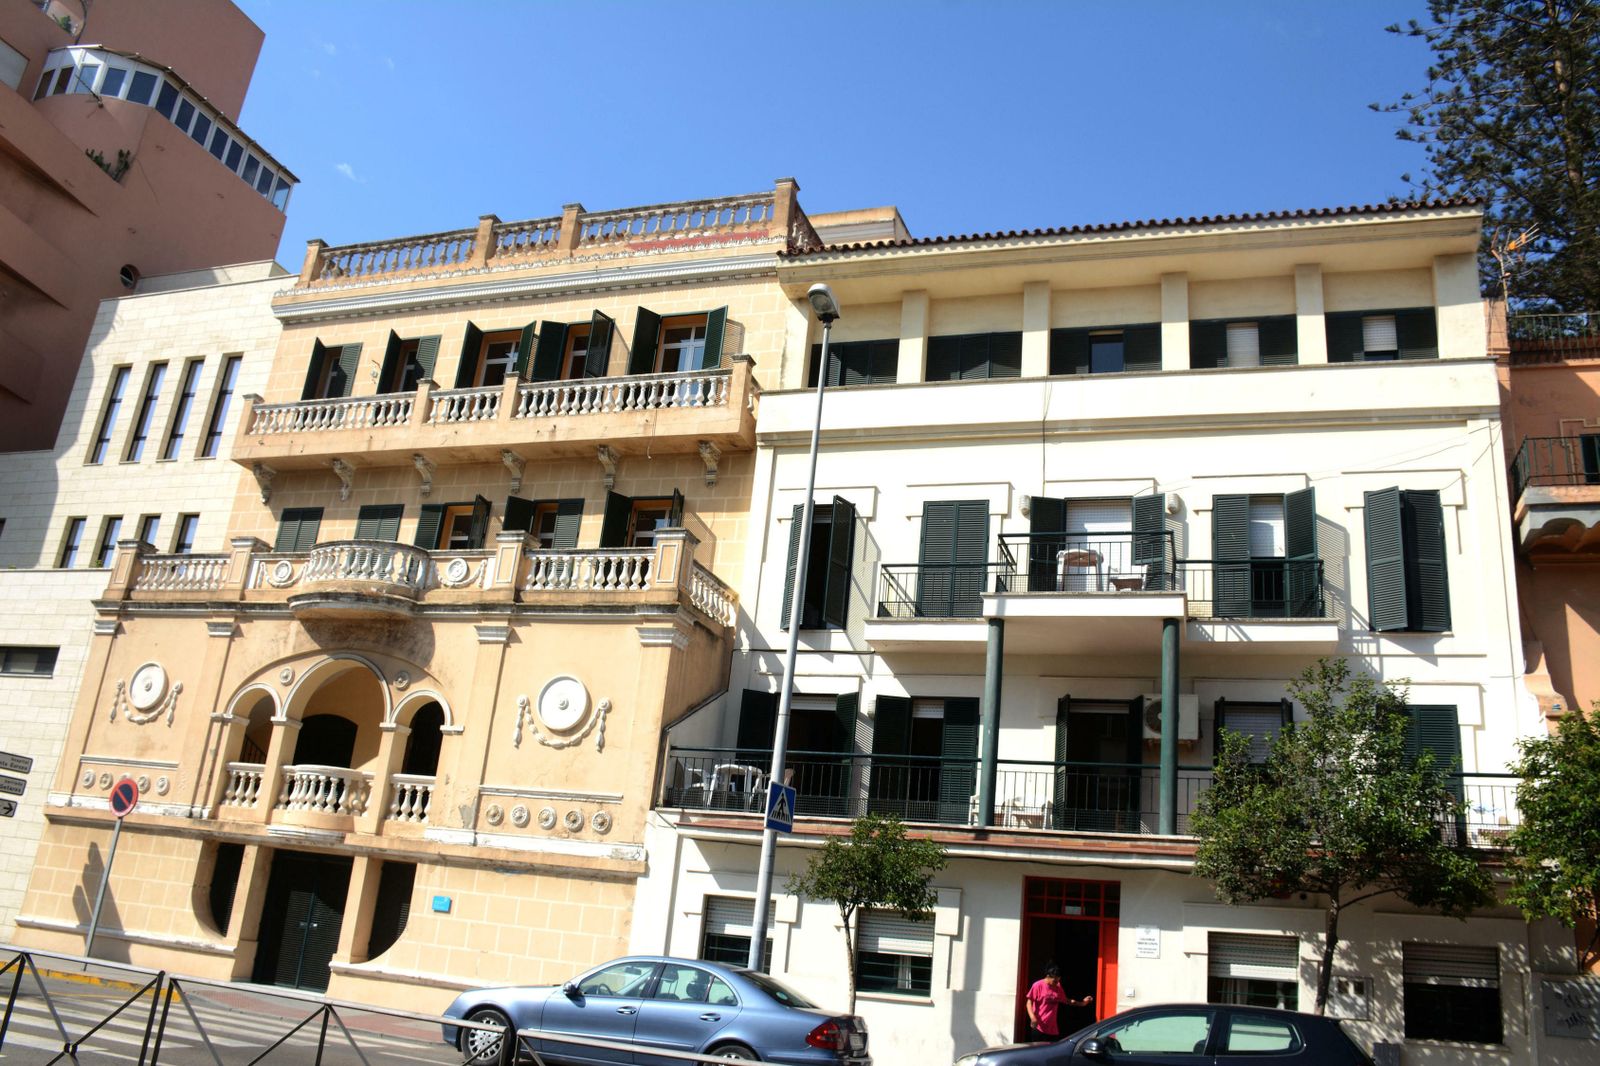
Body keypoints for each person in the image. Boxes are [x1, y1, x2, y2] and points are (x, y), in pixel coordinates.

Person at [1025, 963, 1093, 1042]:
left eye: (1058, 980)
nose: (1056, 983)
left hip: (1052, 1029)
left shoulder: (1058, 987)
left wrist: (1083, 1003)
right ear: (1048, 976)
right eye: (1054, 981)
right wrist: (1033, 1018)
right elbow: (1029, 1003)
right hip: (1039, 1027)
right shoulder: (1037, 985)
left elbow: (1066, 1000)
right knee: (1037, 1052)